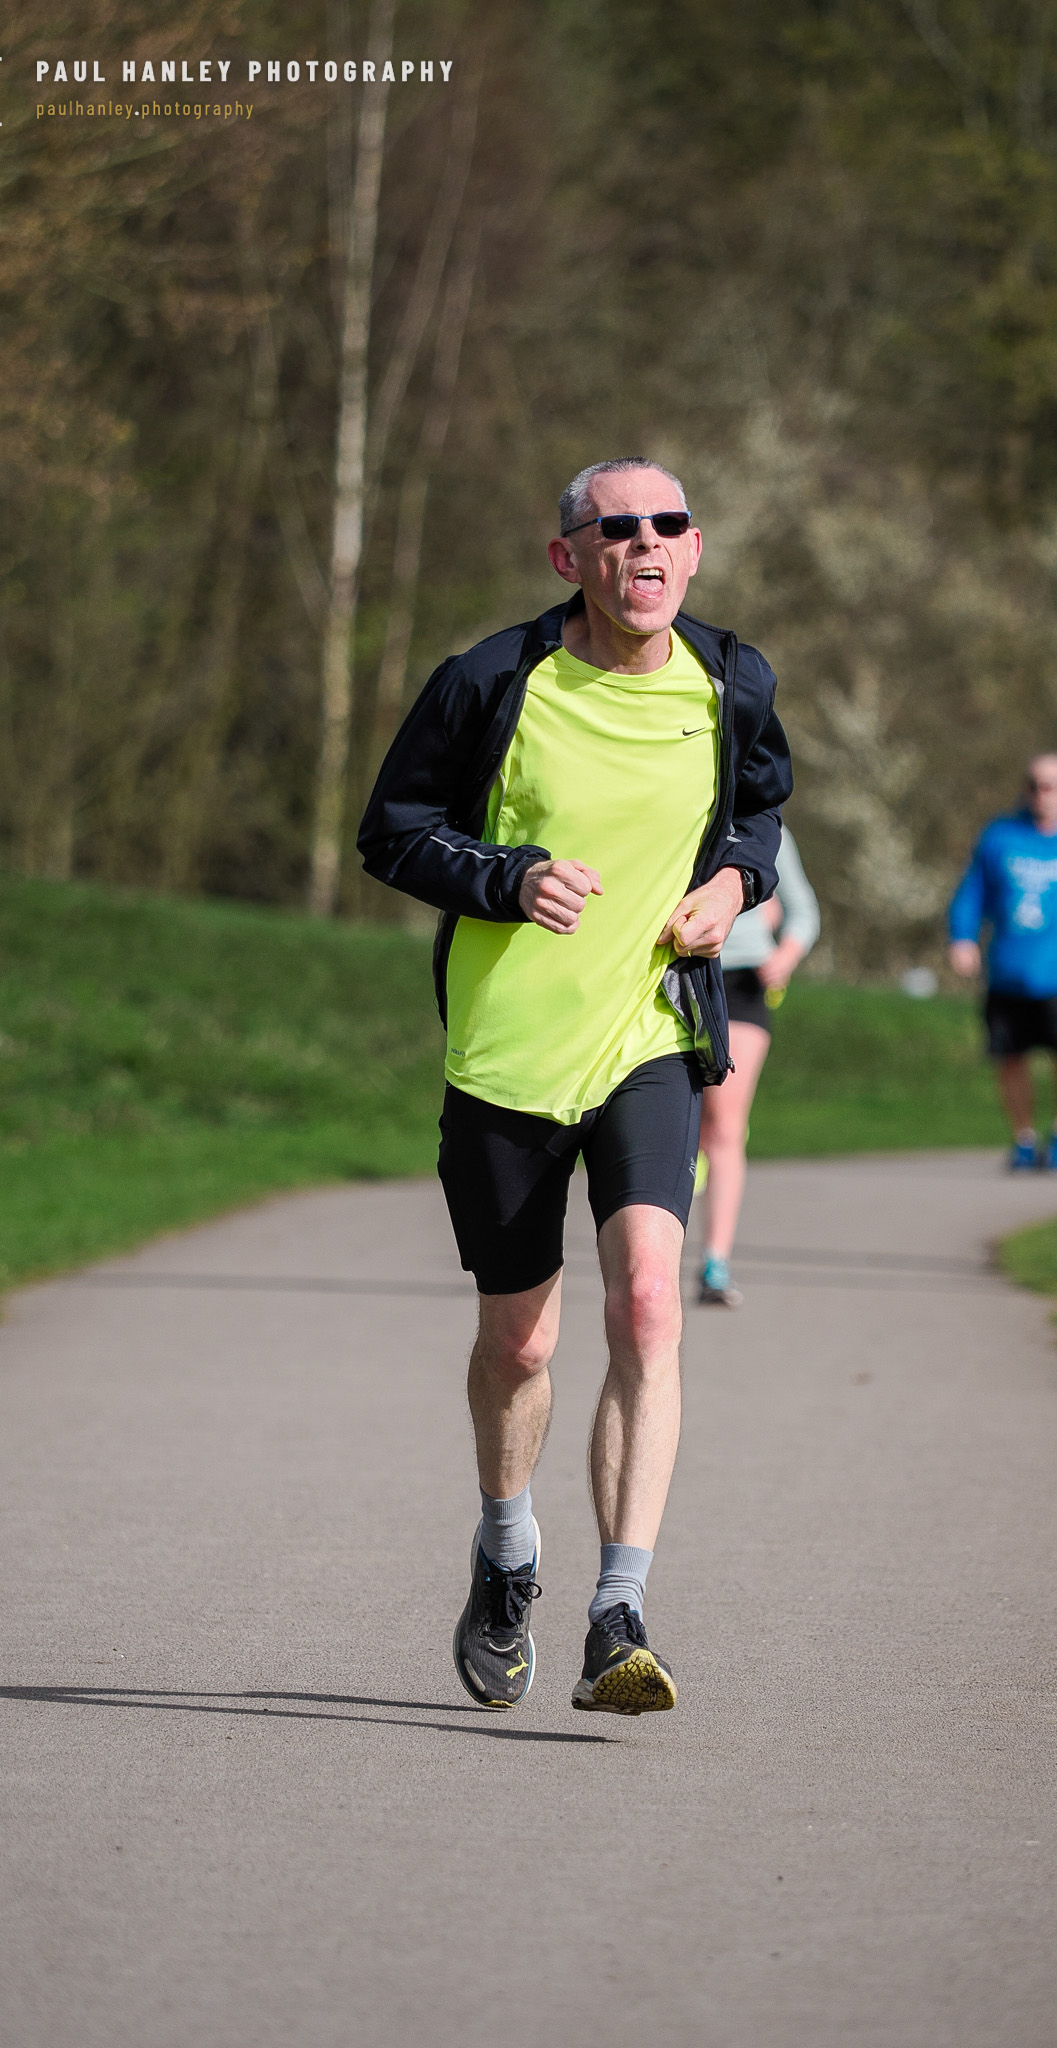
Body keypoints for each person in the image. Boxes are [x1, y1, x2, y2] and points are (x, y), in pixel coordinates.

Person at [358, 459, 791, 1714]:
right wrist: (506, 877)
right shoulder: (493, 680)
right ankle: (506, 1548)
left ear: (693, 550)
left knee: (651, 1300)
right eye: (618, 529)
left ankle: (620, 1605)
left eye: (667, 527)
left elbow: (759, 812)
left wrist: (737, 887)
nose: (645, 546)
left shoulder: (735, 681)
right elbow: (394, 828)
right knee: (523, 1336)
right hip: (507, 1052)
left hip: (651, 1036)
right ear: (571, 558)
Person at [948, 755, 1057, 1171]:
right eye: (1035, 785)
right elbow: (972, 893)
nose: (1042, 794)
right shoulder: (1000, 837)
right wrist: (962, 938)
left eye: (1053, 786)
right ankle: (1023, 1138)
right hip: (1010, 969)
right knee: (1010, 1057)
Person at [695, 823, 818, 1306]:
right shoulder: (678, 797)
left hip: (742, 977)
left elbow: (804, 912)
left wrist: (785, 955)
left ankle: (714, 1266)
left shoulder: (770, 829)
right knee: (682, 1119)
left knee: (726, 1124)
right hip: (672, 970)